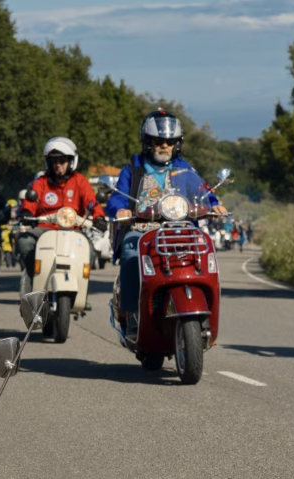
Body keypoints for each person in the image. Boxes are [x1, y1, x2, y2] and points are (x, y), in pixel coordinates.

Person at [105, 110, 226, 336]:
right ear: (148, 142)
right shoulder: (133, 169)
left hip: (182, 230)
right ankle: (132, 314)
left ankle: (205, 311)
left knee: (205, 252)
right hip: (142, 231)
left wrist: (214, 203)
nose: (164, 146)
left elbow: (203, 192)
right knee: (131, 254)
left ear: (176, 144)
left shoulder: (185, 170)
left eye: (169, 142)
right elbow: (118, 197)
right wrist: (120, 208)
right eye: (158, 141)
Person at [15, 136, 106, 283]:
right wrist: (27, 212)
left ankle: (80, 289)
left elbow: (91, 203)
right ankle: (35, 279)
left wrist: (99, 217)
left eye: (62, 161)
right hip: (45, 230)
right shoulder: (41, 182)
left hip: (73, 230)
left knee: (90, 253)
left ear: (71, 161)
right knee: (24, 242)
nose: (58, 165)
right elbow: (30, 201)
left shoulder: (80, 181)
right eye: (54, 161)